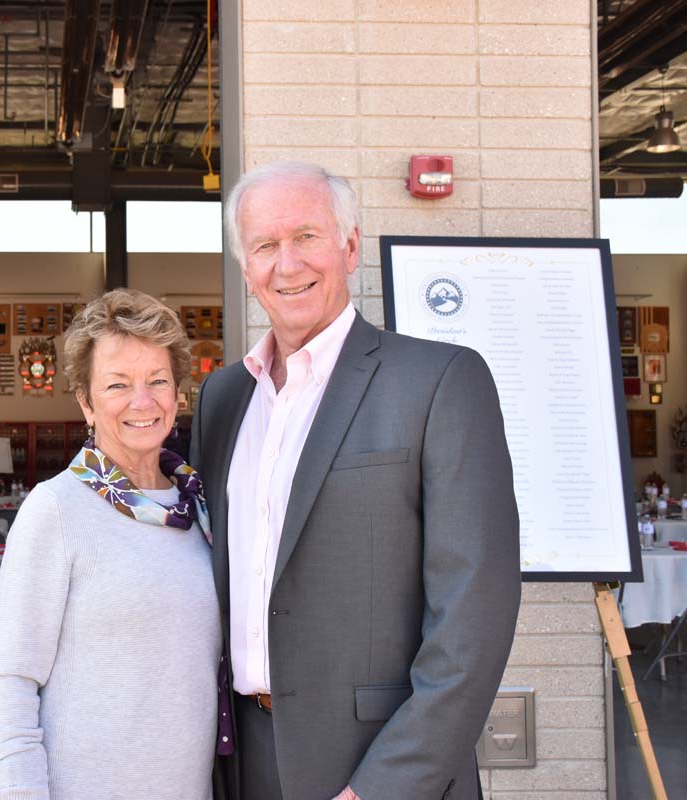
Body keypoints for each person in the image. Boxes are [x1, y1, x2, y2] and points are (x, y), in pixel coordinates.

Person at [190, 161, 521, 800]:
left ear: (349, 247)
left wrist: (383, 787)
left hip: (376, 766)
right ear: (245, 268)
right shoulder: (222, 399)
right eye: (264, 245)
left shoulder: (439, 381)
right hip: (242, 761)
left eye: (306, 236)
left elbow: (472, 618)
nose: (287, 264)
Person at [0, 289, 221, 800]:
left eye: (158, 380)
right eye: (117, 384)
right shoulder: (56, 509)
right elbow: (12, 681)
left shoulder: (199, 507)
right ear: (86, 403)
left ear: (178, 394)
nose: (142, 401)